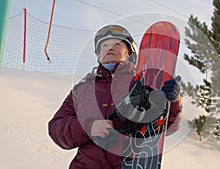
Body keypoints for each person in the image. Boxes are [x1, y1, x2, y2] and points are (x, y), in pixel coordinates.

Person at [48, 24, 182, 169]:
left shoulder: (141, 83)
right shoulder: (82, 89)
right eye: (104, 45)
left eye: (117, 44)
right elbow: (56, 128)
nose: (110, 48)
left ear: (129, 52)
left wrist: (173, 101)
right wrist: (88, 127)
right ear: (98, 54)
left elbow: (165, 127)